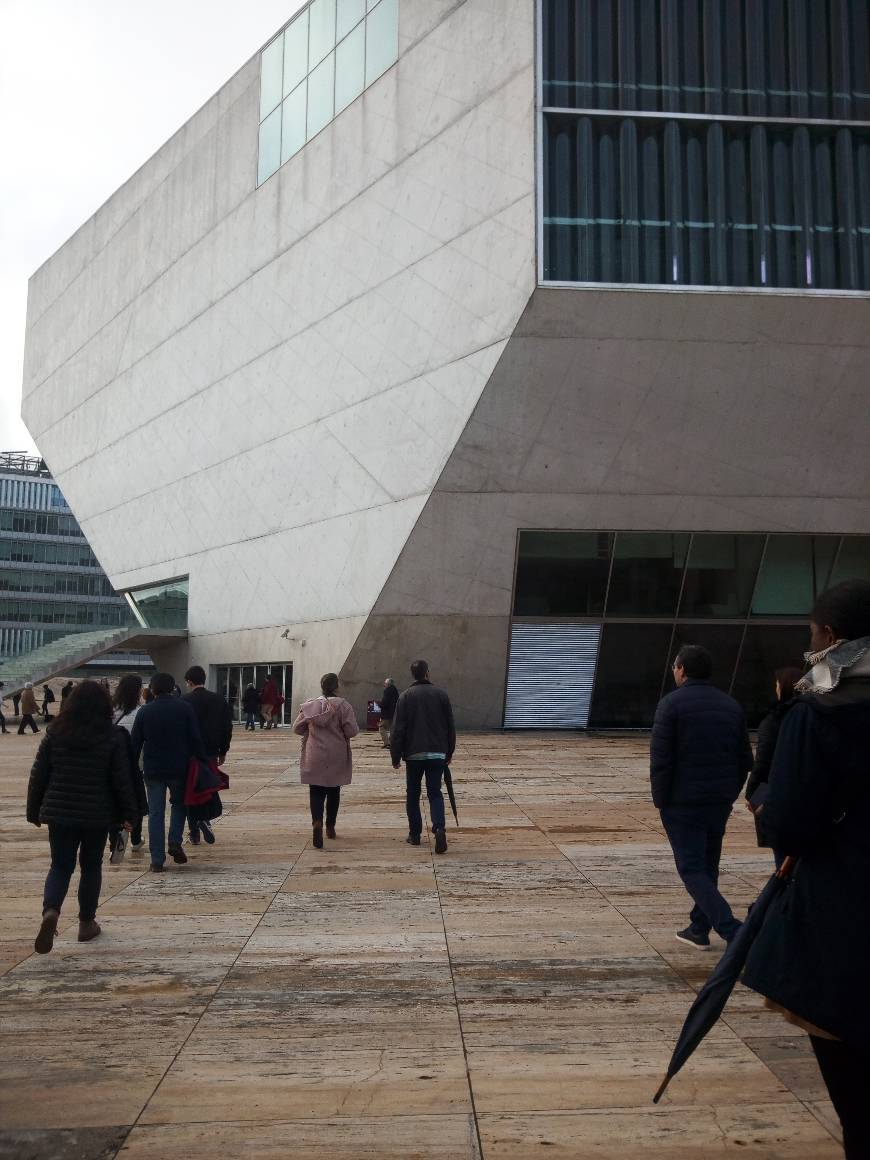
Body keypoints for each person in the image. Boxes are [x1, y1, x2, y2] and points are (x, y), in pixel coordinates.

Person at [742, 580, 870, 1159]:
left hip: (847, 920)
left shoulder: (817, 715)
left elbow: (789, 825)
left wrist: (767, 799)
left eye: (813, 633)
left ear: (832, 637)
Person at [650, 644, 753, 949]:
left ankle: (733, 931)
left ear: (681, 669)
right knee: (708, 864)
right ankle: (698, 927)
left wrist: (661, 800)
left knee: (692, 868)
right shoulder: (730, 705)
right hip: (718, 802)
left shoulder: (671, 705)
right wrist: (729, 793)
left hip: (682, 803)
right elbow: (744, 760)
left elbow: (661, 759)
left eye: (674, 666)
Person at [26, 680, 139, 953]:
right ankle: (86, 923)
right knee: (91, 866)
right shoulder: (111, 736)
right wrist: (130, 814)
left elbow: (38, 774)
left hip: (60, 813)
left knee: (60, 866)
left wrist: (33, 810)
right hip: (97, 814)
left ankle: (50, 911)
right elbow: (121, 780)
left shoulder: (55, 732)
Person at [131, 672, 207, 872]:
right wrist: (202, 760)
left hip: (153, 769)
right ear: (173, 688)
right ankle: (174, 840)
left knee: (155, 812)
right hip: (179, 768)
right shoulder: (184, 708)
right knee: (179, 805)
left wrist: (130, 768)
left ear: (153, 690)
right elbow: (195, 738)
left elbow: (135, 744)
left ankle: (157, 859)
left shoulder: (145, 712)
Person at [390, 660, 456, 854]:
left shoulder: (405, 697)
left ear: (413, 675)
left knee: (413, 793)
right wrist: (449, 752)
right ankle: (439, 828)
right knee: (435, 792)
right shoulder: (441, 695)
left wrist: (395, 756)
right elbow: (450, 727)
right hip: (437, 753)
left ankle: (415, 834)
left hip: (413, 754)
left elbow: (397, 730)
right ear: (427, 673)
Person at [744, 666, 803, 868]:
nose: (776, 688)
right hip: (805, 794)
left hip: (775, 795)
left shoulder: (774, 721)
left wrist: (752, 795)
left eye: (778, 684)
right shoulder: (810, 716)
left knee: (782, 858)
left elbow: (763, 762)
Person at [293, 673, 359, 848]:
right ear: (337, 687)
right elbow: (352, 731)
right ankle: (330, 826)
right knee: (333, 791)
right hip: (336, 754)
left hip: (314, 754)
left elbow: (297, 728)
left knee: (315, 791)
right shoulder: (343, 706)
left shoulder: (311, 705)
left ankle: (316, 822)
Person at [182, 665, 232, 846]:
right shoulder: (219, 700)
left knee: (190, 791)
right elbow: (227, 727)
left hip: (189, 754)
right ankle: (205, 819)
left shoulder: (184, 701)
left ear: (189, 681)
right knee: (206, 786)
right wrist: (223, 750)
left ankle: (194, 831)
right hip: (210, 752)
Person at [107, 674, 148, 858]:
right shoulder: (141, 711)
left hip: (111, 764)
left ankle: (114, 839)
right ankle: (136, 839)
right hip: (134, 764)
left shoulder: (110, 710)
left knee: (113, 801)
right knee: (136, 800)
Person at [378, 678, 399, 749]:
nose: (384, 685)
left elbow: (385, 702)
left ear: (388, 684)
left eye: (385, 683)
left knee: (381, 727)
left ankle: (387, 743)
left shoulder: (387, 691)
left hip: (386, 714)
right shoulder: (396, 691)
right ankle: (391, 742)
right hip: (393, 713)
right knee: (392, 729)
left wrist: (380, 704)